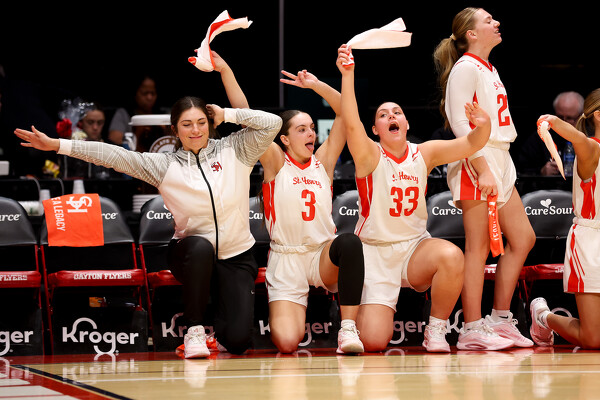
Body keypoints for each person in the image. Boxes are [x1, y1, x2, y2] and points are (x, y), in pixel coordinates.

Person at [14, 57, 283, 359]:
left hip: (236, 255)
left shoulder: (237, 149)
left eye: (201, 122)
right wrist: (57, 145)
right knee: (200, 247)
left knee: (238, 341)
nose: (195, 130)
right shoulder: (163, 165)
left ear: (210, 124)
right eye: (187, 124)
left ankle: (221, 333)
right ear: (174, 130)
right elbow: (111, 155)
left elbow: (273, 124)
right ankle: (194, 331)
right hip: (190, 252)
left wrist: (227, 113)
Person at [337, 44, 492, 352]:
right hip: (375, 253)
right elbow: (350, 122)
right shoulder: (369, 154)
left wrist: (484, 125)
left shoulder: (425, 152)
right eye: (383, 115)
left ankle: (436, 330)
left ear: (407, 124)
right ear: (376, 129)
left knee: (451, 255)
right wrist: (348, 74)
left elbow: (471, 144)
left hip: (413, 249)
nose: (392, 116)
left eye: (397, 112)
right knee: (373, 342)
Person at [433, 7, 536, 350]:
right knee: (477, 247)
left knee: (522, 239)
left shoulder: (488, 67)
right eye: (489, 20)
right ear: (472, 34)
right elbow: (459, 123)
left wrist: (496, 166)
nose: (497, 23)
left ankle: (500, 318)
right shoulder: (465, 67)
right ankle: (471, 327)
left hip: (500, 155)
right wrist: (483, 167)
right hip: (477, 158)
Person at [259, 69, 365, 354]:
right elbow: (250, 121)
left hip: (320, 255)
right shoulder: (275, 162)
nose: (311, 133)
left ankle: (348, 329)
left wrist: (317, 85)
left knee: (350, 242)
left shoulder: (323, 161)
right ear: (284, 139)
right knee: (286, 343)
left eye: (311, 128)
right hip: (286, 258)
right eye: (301, 129)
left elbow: (345, 111)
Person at [530, 88, 600, 349]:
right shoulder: (591, 148)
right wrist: (555, 122)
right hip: (592, 242)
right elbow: (577, 137)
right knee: (593, 339)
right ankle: (543, 316)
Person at [518, 91, 584, 175]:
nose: (563, 122)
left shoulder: (591, 137)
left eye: (569, 118)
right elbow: (521, 170)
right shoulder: (540, 137)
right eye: (559, 117)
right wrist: (541, 171)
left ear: (581, 117)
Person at [107, 74, 162, 152]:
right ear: (135, 93)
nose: (149, 97)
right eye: (145, 93)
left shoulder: (163, 115)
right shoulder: (124, 113)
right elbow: (114, 138)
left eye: (153, 93)